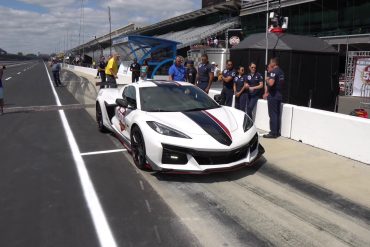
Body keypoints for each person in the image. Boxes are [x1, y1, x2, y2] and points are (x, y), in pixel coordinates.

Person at [263, 57, 284, 138]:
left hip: (273, 96)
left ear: (273, 63)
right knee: (277, 114)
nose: (269, 64)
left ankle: (273, 133)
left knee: (272, 114)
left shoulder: (273, 72)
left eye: (270, 63)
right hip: (279, 95)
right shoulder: (281, 71)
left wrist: (267, 79)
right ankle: (277, 132)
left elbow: (271, 83)